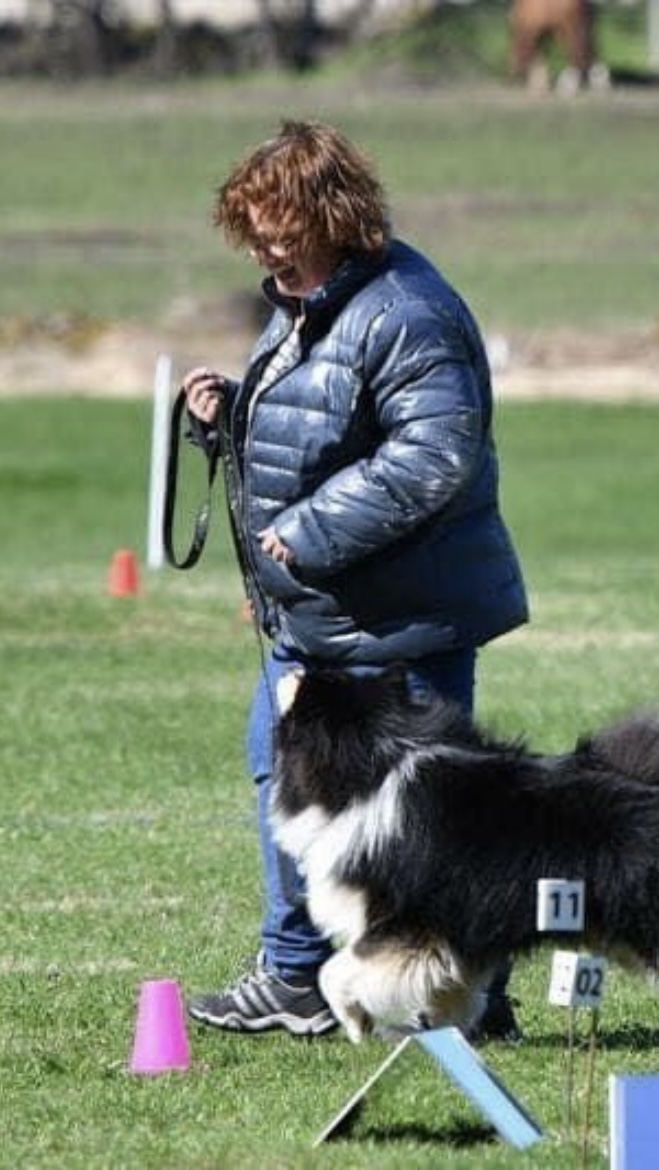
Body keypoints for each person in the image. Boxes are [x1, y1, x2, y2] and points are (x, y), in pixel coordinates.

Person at [181, 120, 529, 1042]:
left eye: (277, 227)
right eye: (250, 227)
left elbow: (434, 457)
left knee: (422, 825)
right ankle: (299, 973)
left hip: (400, 619)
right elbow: (317, 427)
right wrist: (228, 416)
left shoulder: (405, 309)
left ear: (332, 215)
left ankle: (464, 998)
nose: (262, 246)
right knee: (285, 777)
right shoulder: (304, 305)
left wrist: (309, 531)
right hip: (322, 617)